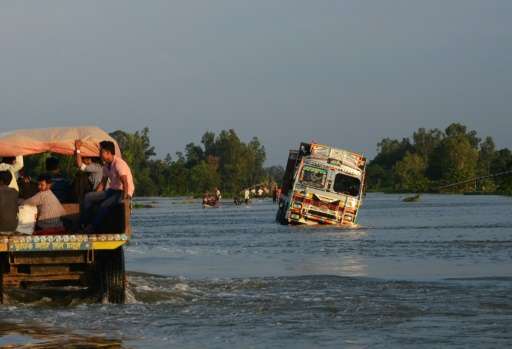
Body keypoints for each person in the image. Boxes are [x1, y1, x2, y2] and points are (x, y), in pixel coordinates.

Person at [81, 140, 134, 232]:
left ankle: (92, 227)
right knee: (88, 197)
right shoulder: (106, 166)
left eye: (101, 152)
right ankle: (85, 224)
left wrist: (126, 199)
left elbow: (125, 183)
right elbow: (102, 184)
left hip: (122, 191)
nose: (99, 154)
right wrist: (96, 196)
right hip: (112, 190)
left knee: (104, 205)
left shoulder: (118, 164)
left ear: (108, 153)